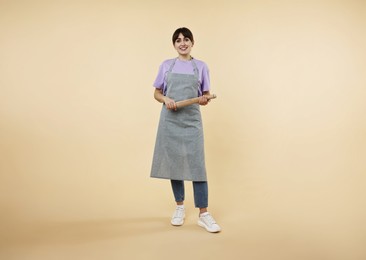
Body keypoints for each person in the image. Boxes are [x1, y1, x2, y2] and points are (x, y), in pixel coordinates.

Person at [150, 27, 221, 233]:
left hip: (191, 121)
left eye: (186, 39)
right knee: (174, 164)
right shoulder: (166, 65)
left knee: (197, 165)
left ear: (192, 43)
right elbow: (156, 92)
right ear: (174, 44)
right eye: (178, 40)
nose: (182, 43)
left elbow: (205, 95)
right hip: (170, 120)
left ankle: (204, 213)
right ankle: (179, 207)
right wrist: (166, 99)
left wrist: (204, 99)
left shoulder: (201, 66)